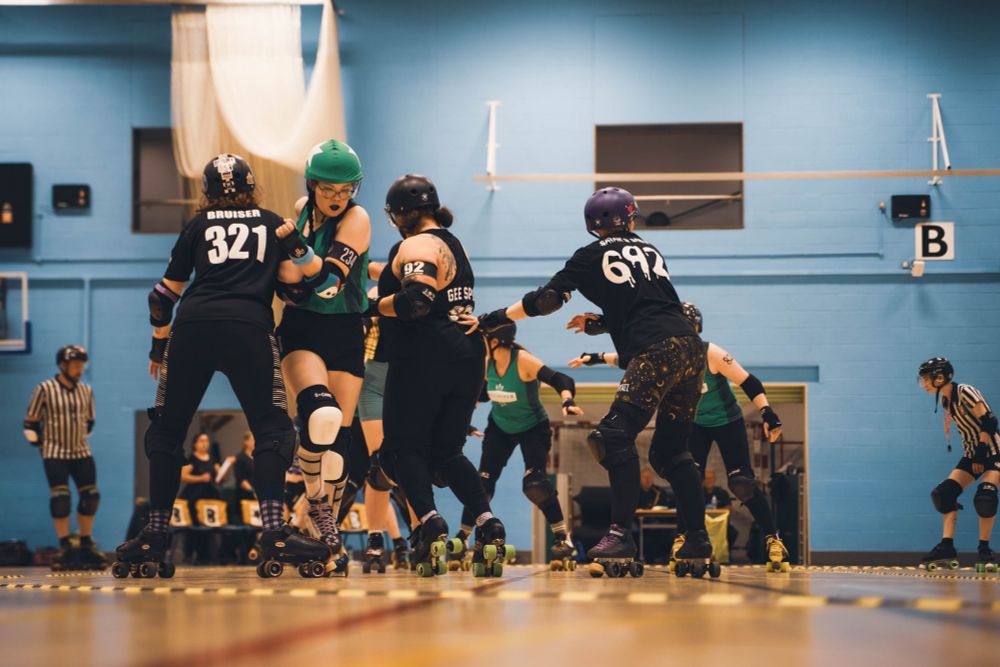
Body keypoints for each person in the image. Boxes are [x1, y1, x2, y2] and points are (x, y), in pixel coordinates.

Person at [113, 154, 329, 580]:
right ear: (252, 185)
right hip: (248, 328)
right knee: (272, 429)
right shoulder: (271, 222)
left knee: (166, 431)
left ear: (208, 191)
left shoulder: (196, 225)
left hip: (192, 328)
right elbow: (296, 290)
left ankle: (155, 535)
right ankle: (274, 532)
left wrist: (158, 346)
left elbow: (161, 297)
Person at [483, 186, 714, 576]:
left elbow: (547, 300)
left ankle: (621, 532)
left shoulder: (590, 254)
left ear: (592, 224)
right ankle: (696, 537)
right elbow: (650, 306)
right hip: (691, 350)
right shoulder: (651, 251)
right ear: (631, 217)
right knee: (671, 453)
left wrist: (497, 316)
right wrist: (602, 324)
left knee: (612, 436)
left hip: (656, 351)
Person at [372, 174, 510, 577]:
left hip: (423, 356)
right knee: (447, 453)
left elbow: (416, 301)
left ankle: (429, 523)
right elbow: (434, 284)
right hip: (466, 356)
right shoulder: (453, 242)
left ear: (400, 214)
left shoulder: (414, 244)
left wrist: (371, 306)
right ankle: (488, 524)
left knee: (401, 451)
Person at [581, 301, 789, 569]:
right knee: (684, 477)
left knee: (742, 483)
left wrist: (767, 413)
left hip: (728, 421)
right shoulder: (666, 352)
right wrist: (596, 358)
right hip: (694, 424)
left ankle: (773, 537)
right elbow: (631, 360)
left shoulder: (709, 352)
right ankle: (686, 537)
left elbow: (749, 381)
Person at [274, 139, 370, 571]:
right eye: (328, 189)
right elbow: (290, 281)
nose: (336, 198)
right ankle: (318, 512)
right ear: (312, 186)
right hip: (304, 328)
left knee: (340, 445)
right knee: (320, 415)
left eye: (345, 189)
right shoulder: (301, 208)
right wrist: (297, 267)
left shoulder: (359, 217)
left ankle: (319, 539)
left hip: (347, 328)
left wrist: (297, 255)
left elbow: (328, 281)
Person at [454, 320, 581, 567]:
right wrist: (463, 424)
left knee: (535, 483)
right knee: (481, 484)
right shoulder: (486, 363)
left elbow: (561, 379)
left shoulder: (522, 360)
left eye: (483, 339)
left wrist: (566, 401)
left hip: (533, 428)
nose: (479, 343)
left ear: (495, 340)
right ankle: (463, 539)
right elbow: (477, 396)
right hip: (500, 429)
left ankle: (562, 538)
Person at [24, 345, 105, 570]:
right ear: (63, 365)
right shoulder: (44, 389)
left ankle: (86, 544)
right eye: (76, 365)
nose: (80, 369)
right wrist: (41, 443)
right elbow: (30, 423)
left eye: (82, 365)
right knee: (61, 500)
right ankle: (65, 546)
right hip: (54, 452)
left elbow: (89, 422)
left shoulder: (86, 391)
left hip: (81, 451)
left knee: (91, 497)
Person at [918, 357, 1000, 572]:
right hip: (972, 453)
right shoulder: (946, 400)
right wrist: (975, 454)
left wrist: (982, 452)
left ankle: (985, 550)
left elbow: (989, 421)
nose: (924, 384)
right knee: (943, 494)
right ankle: (947, 547)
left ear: (941, 377)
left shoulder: (965, 391)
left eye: (927, 379)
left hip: (993, 450)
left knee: (985, 498)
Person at [357, 295, 412, 571]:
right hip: (374, 379)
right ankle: (375, 539)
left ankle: (419, 531)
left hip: (409, 377)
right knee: (379, 467)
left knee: (411, 463)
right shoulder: (373, 294)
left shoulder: (421, 290)